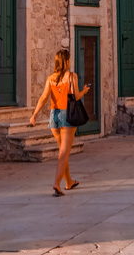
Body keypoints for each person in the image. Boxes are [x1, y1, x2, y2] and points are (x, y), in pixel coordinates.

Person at [29, 48, 90, 196]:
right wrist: (84, 91)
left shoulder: (51, 78)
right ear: (67, 61)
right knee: (64, 153)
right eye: (69, 59)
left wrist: (34, 114)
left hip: (54, 115)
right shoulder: (71, 77)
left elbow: (44, 97)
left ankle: (68, 181)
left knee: (63, 152)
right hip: (67, 115)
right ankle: (57, 183)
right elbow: (75, 97)